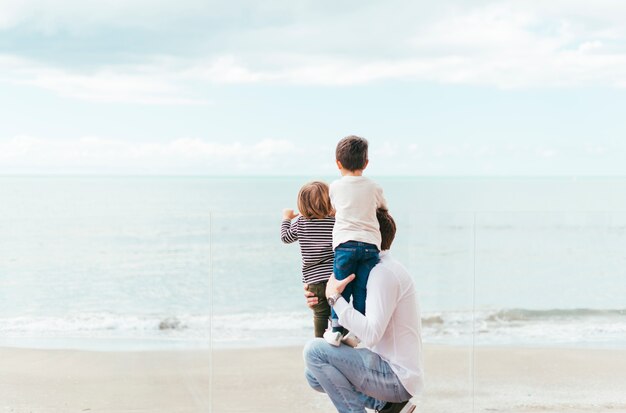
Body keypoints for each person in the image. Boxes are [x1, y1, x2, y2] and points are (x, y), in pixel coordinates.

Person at [303, 209, 423, 413]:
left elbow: (371, 335)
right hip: (387, 369)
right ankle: (388, 406)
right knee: (313, 375)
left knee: (314, 352)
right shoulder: (372, 270)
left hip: (396, 377)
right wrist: (321, 298)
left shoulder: (383, 274)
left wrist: (335, 299)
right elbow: (356, 327)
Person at [325, 135, 388, 346]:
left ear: (338, 163)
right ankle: (356, 333)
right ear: (366, 163)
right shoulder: (374, 187)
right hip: (370, 246)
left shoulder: (334, 187)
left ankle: (335, 329)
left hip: (345, 245)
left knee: (340, 286)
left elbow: (332, 209)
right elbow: (383, 208)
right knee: (362, 289)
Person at [281, 181, 335, 338]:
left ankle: (319, 342)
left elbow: (285, 237)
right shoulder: (334, 221)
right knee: (338, 311)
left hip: (313, 280)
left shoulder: (300, 222)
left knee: (320, 314)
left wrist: (286, 218)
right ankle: (339, 335)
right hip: (333, 277)